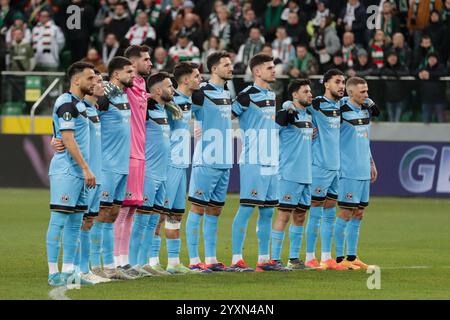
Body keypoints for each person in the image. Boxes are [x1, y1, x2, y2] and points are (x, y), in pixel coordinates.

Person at [229, 54, 288, 272]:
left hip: (271, 160)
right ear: (257, 72)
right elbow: (226, 116)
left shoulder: (271, 95)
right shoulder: (247, 95)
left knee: (267, 212)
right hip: (253, 159)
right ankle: (236, 259)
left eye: (274, 67)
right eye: (270, 68)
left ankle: (264, 260)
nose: (274, 70)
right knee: (246, 208)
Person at [46, 61, 96, 286]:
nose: (94, 82)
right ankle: (52, 272)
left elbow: (59, 133)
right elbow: (67, 138)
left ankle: (69, 272)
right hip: (67, 171)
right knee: (58, 220)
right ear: (77, 80)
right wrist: (85, 168)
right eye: (90, 78)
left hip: (79, 173)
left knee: (76, 222)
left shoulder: (81, 105)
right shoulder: (67, 103)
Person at [186, 51, 233, 272]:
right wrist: (194, 124)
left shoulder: (225, 92)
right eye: (226, 64)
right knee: (197, 208)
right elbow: (183, 108)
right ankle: (195, 261)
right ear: (214, 69)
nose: (231, 67)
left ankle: (211, 259)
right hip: (206, 160)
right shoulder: (201, 92)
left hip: (225, 161)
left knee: (215, 211)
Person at [92, 56, 136, 280]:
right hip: (107, 166)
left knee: (112, 215)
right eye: (129, 71)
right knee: (100, 215)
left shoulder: (123, 94)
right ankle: (93, 265)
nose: (133, 75)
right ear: (116, 74)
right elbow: (85, 114)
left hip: (122, 166)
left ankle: (109, 266)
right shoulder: (105, 95)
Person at [132, 72, 179, 275]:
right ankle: (132, 264)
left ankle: (144, 264)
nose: (173, 90)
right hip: (148, 173)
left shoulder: (162, 110)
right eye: (169, 86)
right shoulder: (147, 109)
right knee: (142, 220)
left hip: (162, 174)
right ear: (158, 90)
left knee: (154, 221)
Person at [116, 45, 154, 275]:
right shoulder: (124, 87)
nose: (150, 63)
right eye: (146, 59)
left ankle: (125, 260)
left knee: (131, 211)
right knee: (119, 211)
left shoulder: (141, 86)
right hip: (126, 154)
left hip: (140, 154)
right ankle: (115, 262)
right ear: (132, 63)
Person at [304, 69, 348, 271]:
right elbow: (293, 106)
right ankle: (310, 257)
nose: (341, 86)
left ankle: (327, 257)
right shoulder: (317, 103)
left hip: (336, 167)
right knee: (315, 212)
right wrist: (308, 126)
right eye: (337, 82)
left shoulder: (342, 105)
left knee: (330, 211)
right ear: (326, 84)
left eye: (343, 82)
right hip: (319, 166)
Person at [164, 62, 206, 273]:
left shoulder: (190, 102)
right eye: (197, 76)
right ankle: (150, 261)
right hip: (168, 163)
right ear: (186, 79)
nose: (201, 79)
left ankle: (173, 263)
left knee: (176, 214)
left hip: (182, 164)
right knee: (158, 213)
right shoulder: (170, 102)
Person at [335, 77, 378, 270]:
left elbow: (365, 139)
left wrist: (371, 162)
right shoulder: (341, 111)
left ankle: (352, 257)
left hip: (363, 169)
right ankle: (338, 258)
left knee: (359, 213)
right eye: (362, 92)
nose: (366, 95)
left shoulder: (365, 110)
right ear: (349, 92)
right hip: (348, 170)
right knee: (345, 212)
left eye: (367, 91)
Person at [271, 79, 314, 270]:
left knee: (300, 217)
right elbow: (272, 132)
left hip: (306, 174)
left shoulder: (309, 116)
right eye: (305, 91)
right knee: (283, 216)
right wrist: (285, 109)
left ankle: (294, 258)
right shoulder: (286, 114)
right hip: (288, 173)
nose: (310, 94)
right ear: (295, 95)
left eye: (310, 91)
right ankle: (274, 259)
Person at [73, 70, 110, 284]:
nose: (101, 84)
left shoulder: (94, 110)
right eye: (97, 81)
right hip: (84, 175)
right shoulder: (79, 108)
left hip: (97, 173)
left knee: (89, 222)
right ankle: (77, 268)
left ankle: (85, 268)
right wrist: (56, 138)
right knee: (78, 222)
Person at [378, 51, 410, 122]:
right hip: (388, 98)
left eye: (394, 57)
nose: (392, 58)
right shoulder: (384, 68)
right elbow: (379, 73)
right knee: (391, 119)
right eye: (390, 57)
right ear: (387, 59)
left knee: (397, 120)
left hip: (400, 99)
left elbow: (407, 73)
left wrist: (394, 73)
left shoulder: (402, 67)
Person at [417, 52, 448, 123]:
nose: (432, 60)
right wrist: (419, 74)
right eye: (430, 59)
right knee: (426, 122)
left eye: (434, 58)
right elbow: (414, 72)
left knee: (441, 121)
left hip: (439, 100)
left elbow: (444, 73)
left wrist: (429, 75)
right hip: (426, 99)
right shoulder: (424, 68)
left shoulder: (441, 67)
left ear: (437, 60)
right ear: (427, 60)